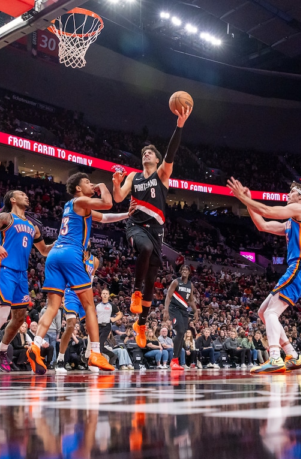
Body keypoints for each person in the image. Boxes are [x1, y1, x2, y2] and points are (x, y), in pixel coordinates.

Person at [111, 107, 191, 351]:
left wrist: (179, 125)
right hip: (135, 225)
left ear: (156, 160)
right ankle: (134, 293)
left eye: (150, 153)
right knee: (143, 248)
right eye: (144, 152)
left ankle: (142, 325)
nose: (146, 154)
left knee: (152, 284)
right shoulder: (133, 177)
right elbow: (118, 198)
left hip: (157, 231)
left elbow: (171, 151)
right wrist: (116, 183)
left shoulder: (162, 175)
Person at [29, 173, 122, 374]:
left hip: (54, 255)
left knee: (53, 307)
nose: (92, 184)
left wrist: (128, 215)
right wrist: (103, 185)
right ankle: (95, 353)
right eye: (88, 182)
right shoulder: (80, 200)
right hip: (71, 253)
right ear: (78, 188)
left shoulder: (75, 207)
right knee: (89, 306)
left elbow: (105, 218)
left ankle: (35, 345)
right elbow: (107, 203)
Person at [227, 179, 301, 374]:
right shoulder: (291, 222)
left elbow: (268, 211)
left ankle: (275, 358)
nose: (287, 194)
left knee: (271, 313)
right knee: (263, 312)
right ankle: (292, 354)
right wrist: (248, 201)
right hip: (300, 268)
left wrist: (242, 198)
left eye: (292, 191)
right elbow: (262, 224)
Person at [0, 190, 53, 375]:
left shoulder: (33, 226)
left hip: (22, 274)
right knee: (2, 313)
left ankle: (0, 351)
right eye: (22, 194)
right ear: (13, 199)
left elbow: (44, 250)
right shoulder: (5, 217)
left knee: (20, 318)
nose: (27, 196)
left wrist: (63, 241)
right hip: (6, 269)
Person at [163, 265, 200, 372]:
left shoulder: (190, 285)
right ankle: (174, 360)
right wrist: (165, 310)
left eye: (186, 270)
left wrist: (195, 311)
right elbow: (168, 296)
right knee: (179, 331)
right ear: (180, 272)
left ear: (189, 272)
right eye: (182, 270)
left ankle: (176, 361)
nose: (184, 271)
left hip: (184, 310)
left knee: (182, 333)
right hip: (174, 309)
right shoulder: (176, 282)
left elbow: (191, 300)